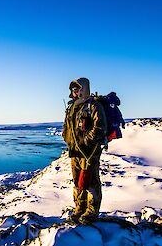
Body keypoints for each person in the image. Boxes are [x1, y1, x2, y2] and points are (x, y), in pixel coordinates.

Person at [62, 77, 107, 224]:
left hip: (89, 151)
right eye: (73, 90)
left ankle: (91, 212)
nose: (75, 92)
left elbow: (100, 128)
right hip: (75, 151)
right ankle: (79, 209)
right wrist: (66, 137)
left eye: (78, 89)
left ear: (84, 89)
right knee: (77, 181)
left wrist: (86, 141)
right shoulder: (72, 107)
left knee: (90, 180)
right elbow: (67, 127)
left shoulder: (94, 106)